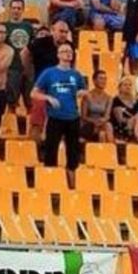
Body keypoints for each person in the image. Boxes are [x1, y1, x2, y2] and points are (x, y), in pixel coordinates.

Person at [33, 41, 86, 185]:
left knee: (73, 153)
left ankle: (72, 184)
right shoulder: (49, 73)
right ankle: (50, 183)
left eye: (70, 51)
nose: (67, 54)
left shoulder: (76, 74)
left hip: (72, 118)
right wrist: (48, 97)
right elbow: (34, 93)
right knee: (51, 151)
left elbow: (83, 91)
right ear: (58, 54)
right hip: (55, 118)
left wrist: (82, 93)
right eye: (64, 51)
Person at [26, 21, 72, 142]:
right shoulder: (41, 42)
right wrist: (28, 73)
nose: (64, 34)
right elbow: (24, 54)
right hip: (41, 88)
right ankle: (33, 151)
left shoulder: (69, 47)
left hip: (60, 90)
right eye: (61, 31)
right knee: (37, 121)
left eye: (66, 32)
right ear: (53, 30)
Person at [4, 0, 35, 107]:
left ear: (23, 10)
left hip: (27, 69)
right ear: (10, 9)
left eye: (18, 8)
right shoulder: (4, 26)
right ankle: (10, 123)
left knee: (30, 103)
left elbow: (33, 46)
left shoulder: (28, 27)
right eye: (14, 8)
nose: (16, 10)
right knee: (11, 102)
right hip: (12, 68)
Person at [111, 74, 138, 143]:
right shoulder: (116, 100)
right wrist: (131, 120)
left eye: (130, 85)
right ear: (120, 87)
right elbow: (119, 120)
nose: (128, 87)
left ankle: (137, 137)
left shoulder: (135, 101)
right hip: (120, 127)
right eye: (125, 85)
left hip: (134, 127)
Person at [81, 70, 114, 143]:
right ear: (94, 81)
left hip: (102, 124)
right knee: (103, 132)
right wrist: (95, 122)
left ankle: (111, 150)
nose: (103, 81)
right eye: (101, 78)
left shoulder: (109, 98)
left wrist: (101, 122)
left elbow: (107, 116)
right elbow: (84, 116)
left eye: (105, 79)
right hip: (89, 124)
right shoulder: (87, 96)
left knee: (105, 130)